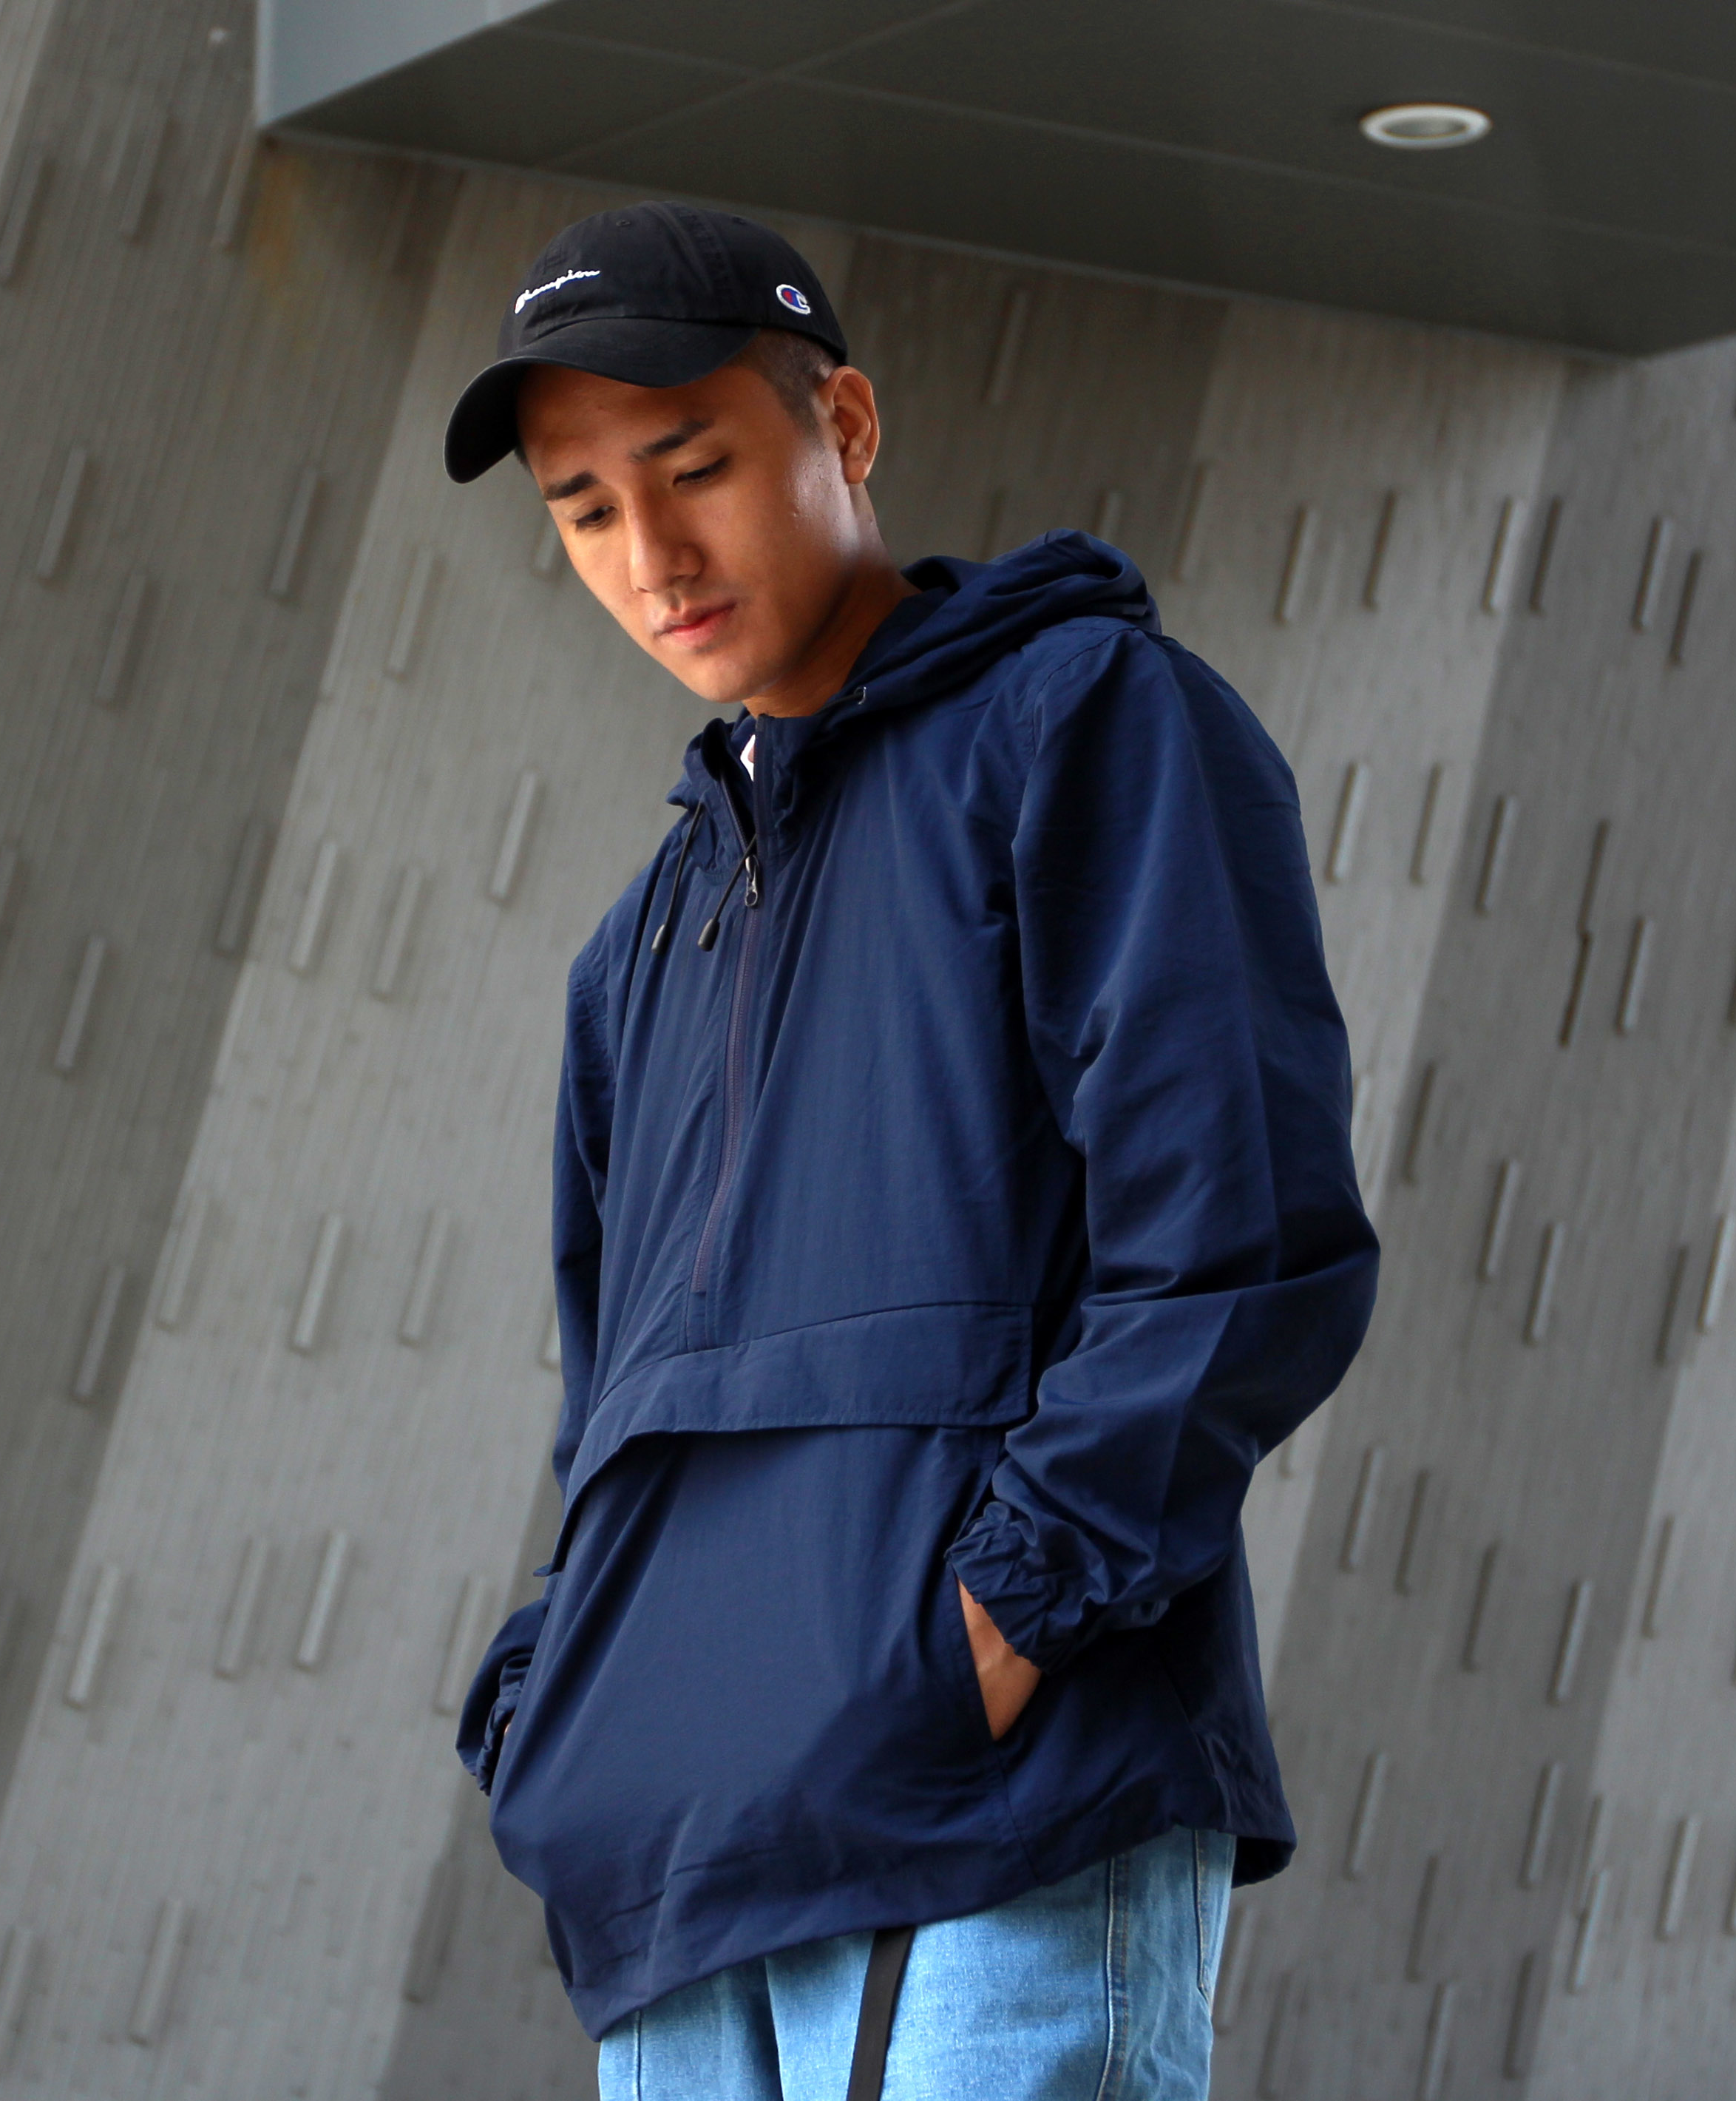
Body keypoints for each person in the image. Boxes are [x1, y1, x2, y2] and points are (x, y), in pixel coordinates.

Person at [444, 201, 1378, 2101]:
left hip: (994, 1801)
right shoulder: (639, 948)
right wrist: (551, 1706)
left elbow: (1242, 1239)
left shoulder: (1082, 724)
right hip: (674, 1858)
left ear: (846, 425)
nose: (650, 556)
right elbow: (610, 1404)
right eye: (584, 508)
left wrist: (1000, 1615)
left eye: (693, 466)